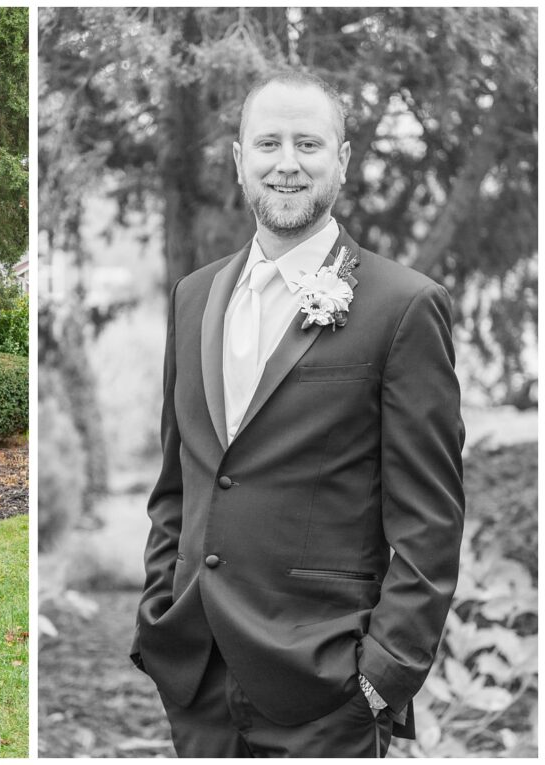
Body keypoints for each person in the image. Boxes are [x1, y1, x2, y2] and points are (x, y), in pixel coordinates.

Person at [131, 70, 465, 757]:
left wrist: (383, 677)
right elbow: (179, 483)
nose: (287, 163)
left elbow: (430, 522)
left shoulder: (403, 306)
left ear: (341, 161)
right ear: (239, 159)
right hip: (197, 676)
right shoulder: (192, 298)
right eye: (269, 143)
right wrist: (159, 603)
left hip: (327, 688)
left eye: (308, 144)